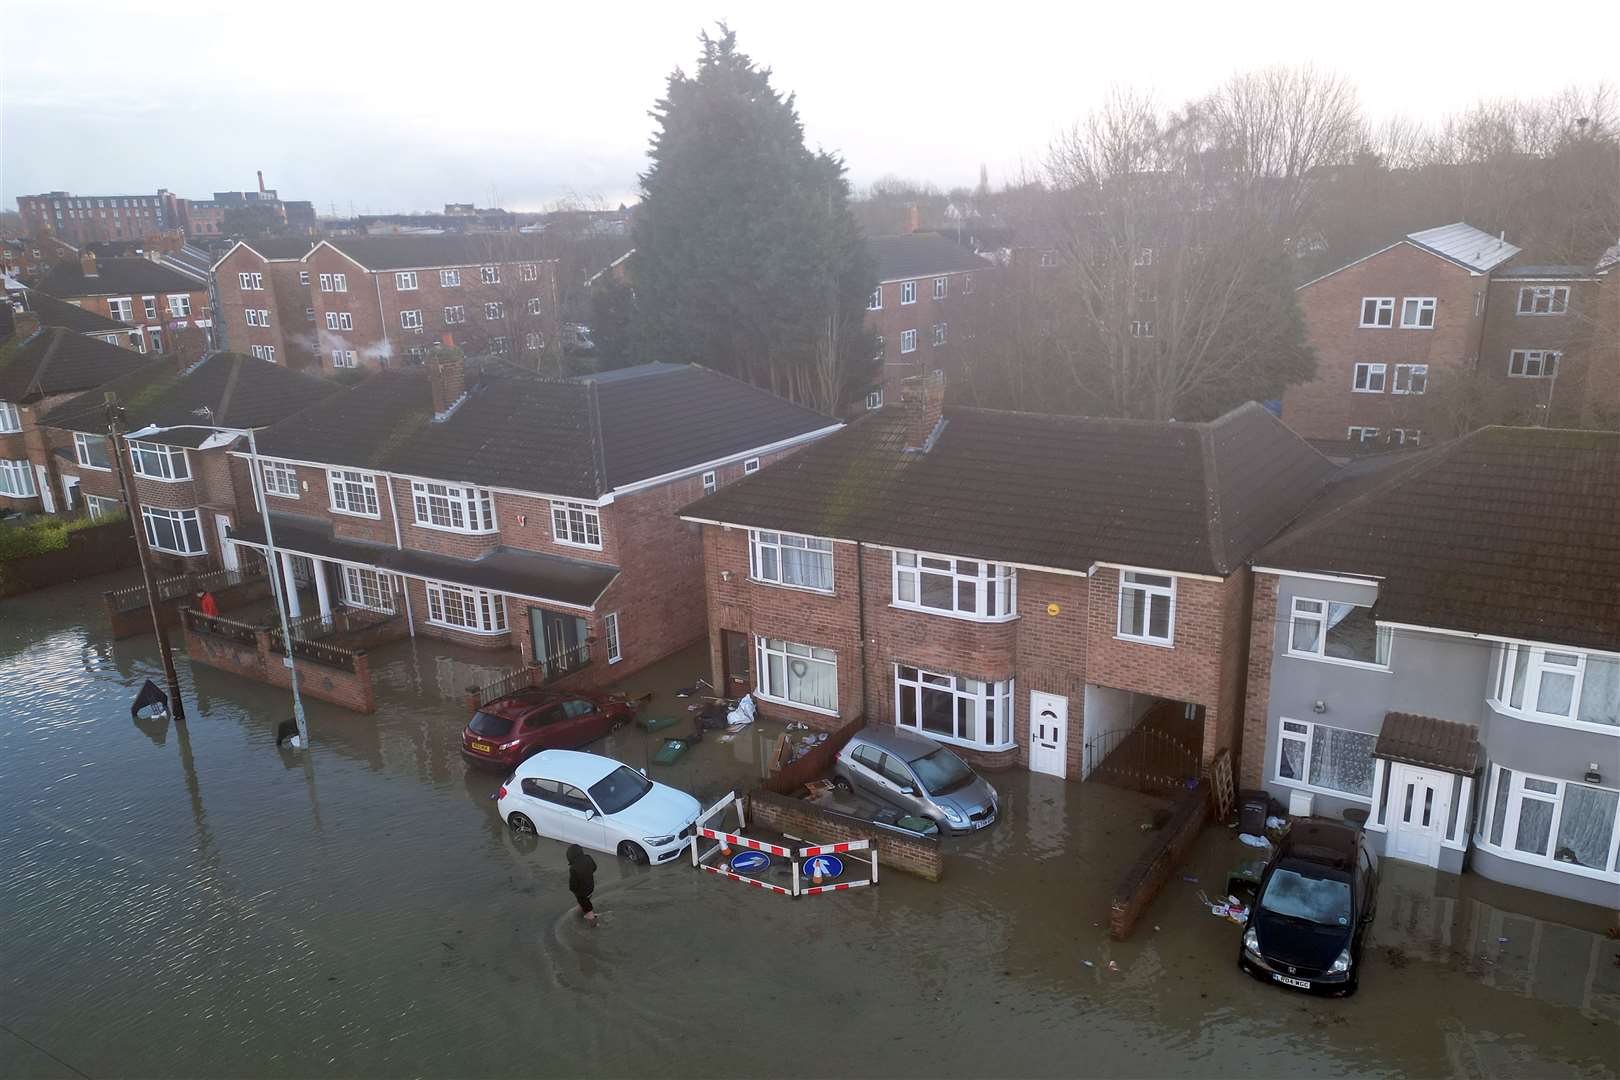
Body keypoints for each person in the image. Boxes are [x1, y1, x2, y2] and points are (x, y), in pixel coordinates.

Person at [566, 844, 598, 924]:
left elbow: (573, 884)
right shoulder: (588, 857)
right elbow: (594, 867)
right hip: (591, 885)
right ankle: (583, 908)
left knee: (587, 907)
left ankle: (591, 919)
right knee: (587, 898)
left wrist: (572, 889)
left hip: (581, 891)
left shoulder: (573, 868)